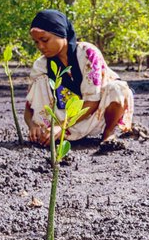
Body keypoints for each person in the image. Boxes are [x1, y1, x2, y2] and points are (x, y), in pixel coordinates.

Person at [24, 9, 135, 151]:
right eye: (36, 42)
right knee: (41, 81)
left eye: (45, 40)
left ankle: (108, 134)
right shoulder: (41, 65)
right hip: (60, 121)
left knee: (118, 88)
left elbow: (93, 101)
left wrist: (62, 125)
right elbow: (28, 109)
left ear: (62, 33)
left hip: (95, 114)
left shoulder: (87, 53)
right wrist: (33, 126)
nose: (40, 46)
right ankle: (50, 134)